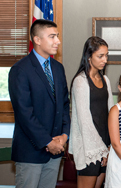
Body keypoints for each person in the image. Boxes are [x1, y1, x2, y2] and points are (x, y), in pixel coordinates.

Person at [8, 19, 70, 188]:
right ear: (37, 39)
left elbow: (64, 105)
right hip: (31, 151)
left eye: (57, 36)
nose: (57, 41)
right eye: (52, 36)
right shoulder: (20, 70)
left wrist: (64, 136)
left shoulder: (58, 68)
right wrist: (48, 142)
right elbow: (24, 113)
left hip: (56, 151)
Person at [69, 36, 114, 188]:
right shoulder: (80, 81)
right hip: (90, 147)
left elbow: (111, 113)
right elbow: (84, 121)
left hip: (106, 144)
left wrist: (110, 146)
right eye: (100, 56)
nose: (105, 59)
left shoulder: (105, 79)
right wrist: (102, 149)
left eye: (106, 55)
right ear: (89, 57)